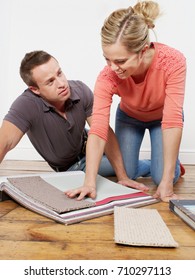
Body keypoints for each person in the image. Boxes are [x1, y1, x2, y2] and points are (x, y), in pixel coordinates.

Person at [65, 0, 186, 202]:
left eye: (120, 61)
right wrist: (89, 181)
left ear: (143, 50)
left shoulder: (173, 62)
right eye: (107, 59)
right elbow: (98, 129)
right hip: (130, 117)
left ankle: (170, 166)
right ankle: (155, 161)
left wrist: (166, 181)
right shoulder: (107, 76)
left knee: (162, 177)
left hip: (163, 118)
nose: (113, 68)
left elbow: (172, 120)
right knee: (126, 173)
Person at [0, 50, 147, 192]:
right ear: (35, 89)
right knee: (129, 165)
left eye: (59, 73)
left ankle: (161, 164)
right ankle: (163, 165)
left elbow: (103, 130)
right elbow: (4, 143)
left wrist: (123, 177)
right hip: (73, 166)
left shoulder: (80, 89)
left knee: (125, 163)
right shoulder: (26, 105)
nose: (62, 84)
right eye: (50, 82)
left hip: (90, 140)